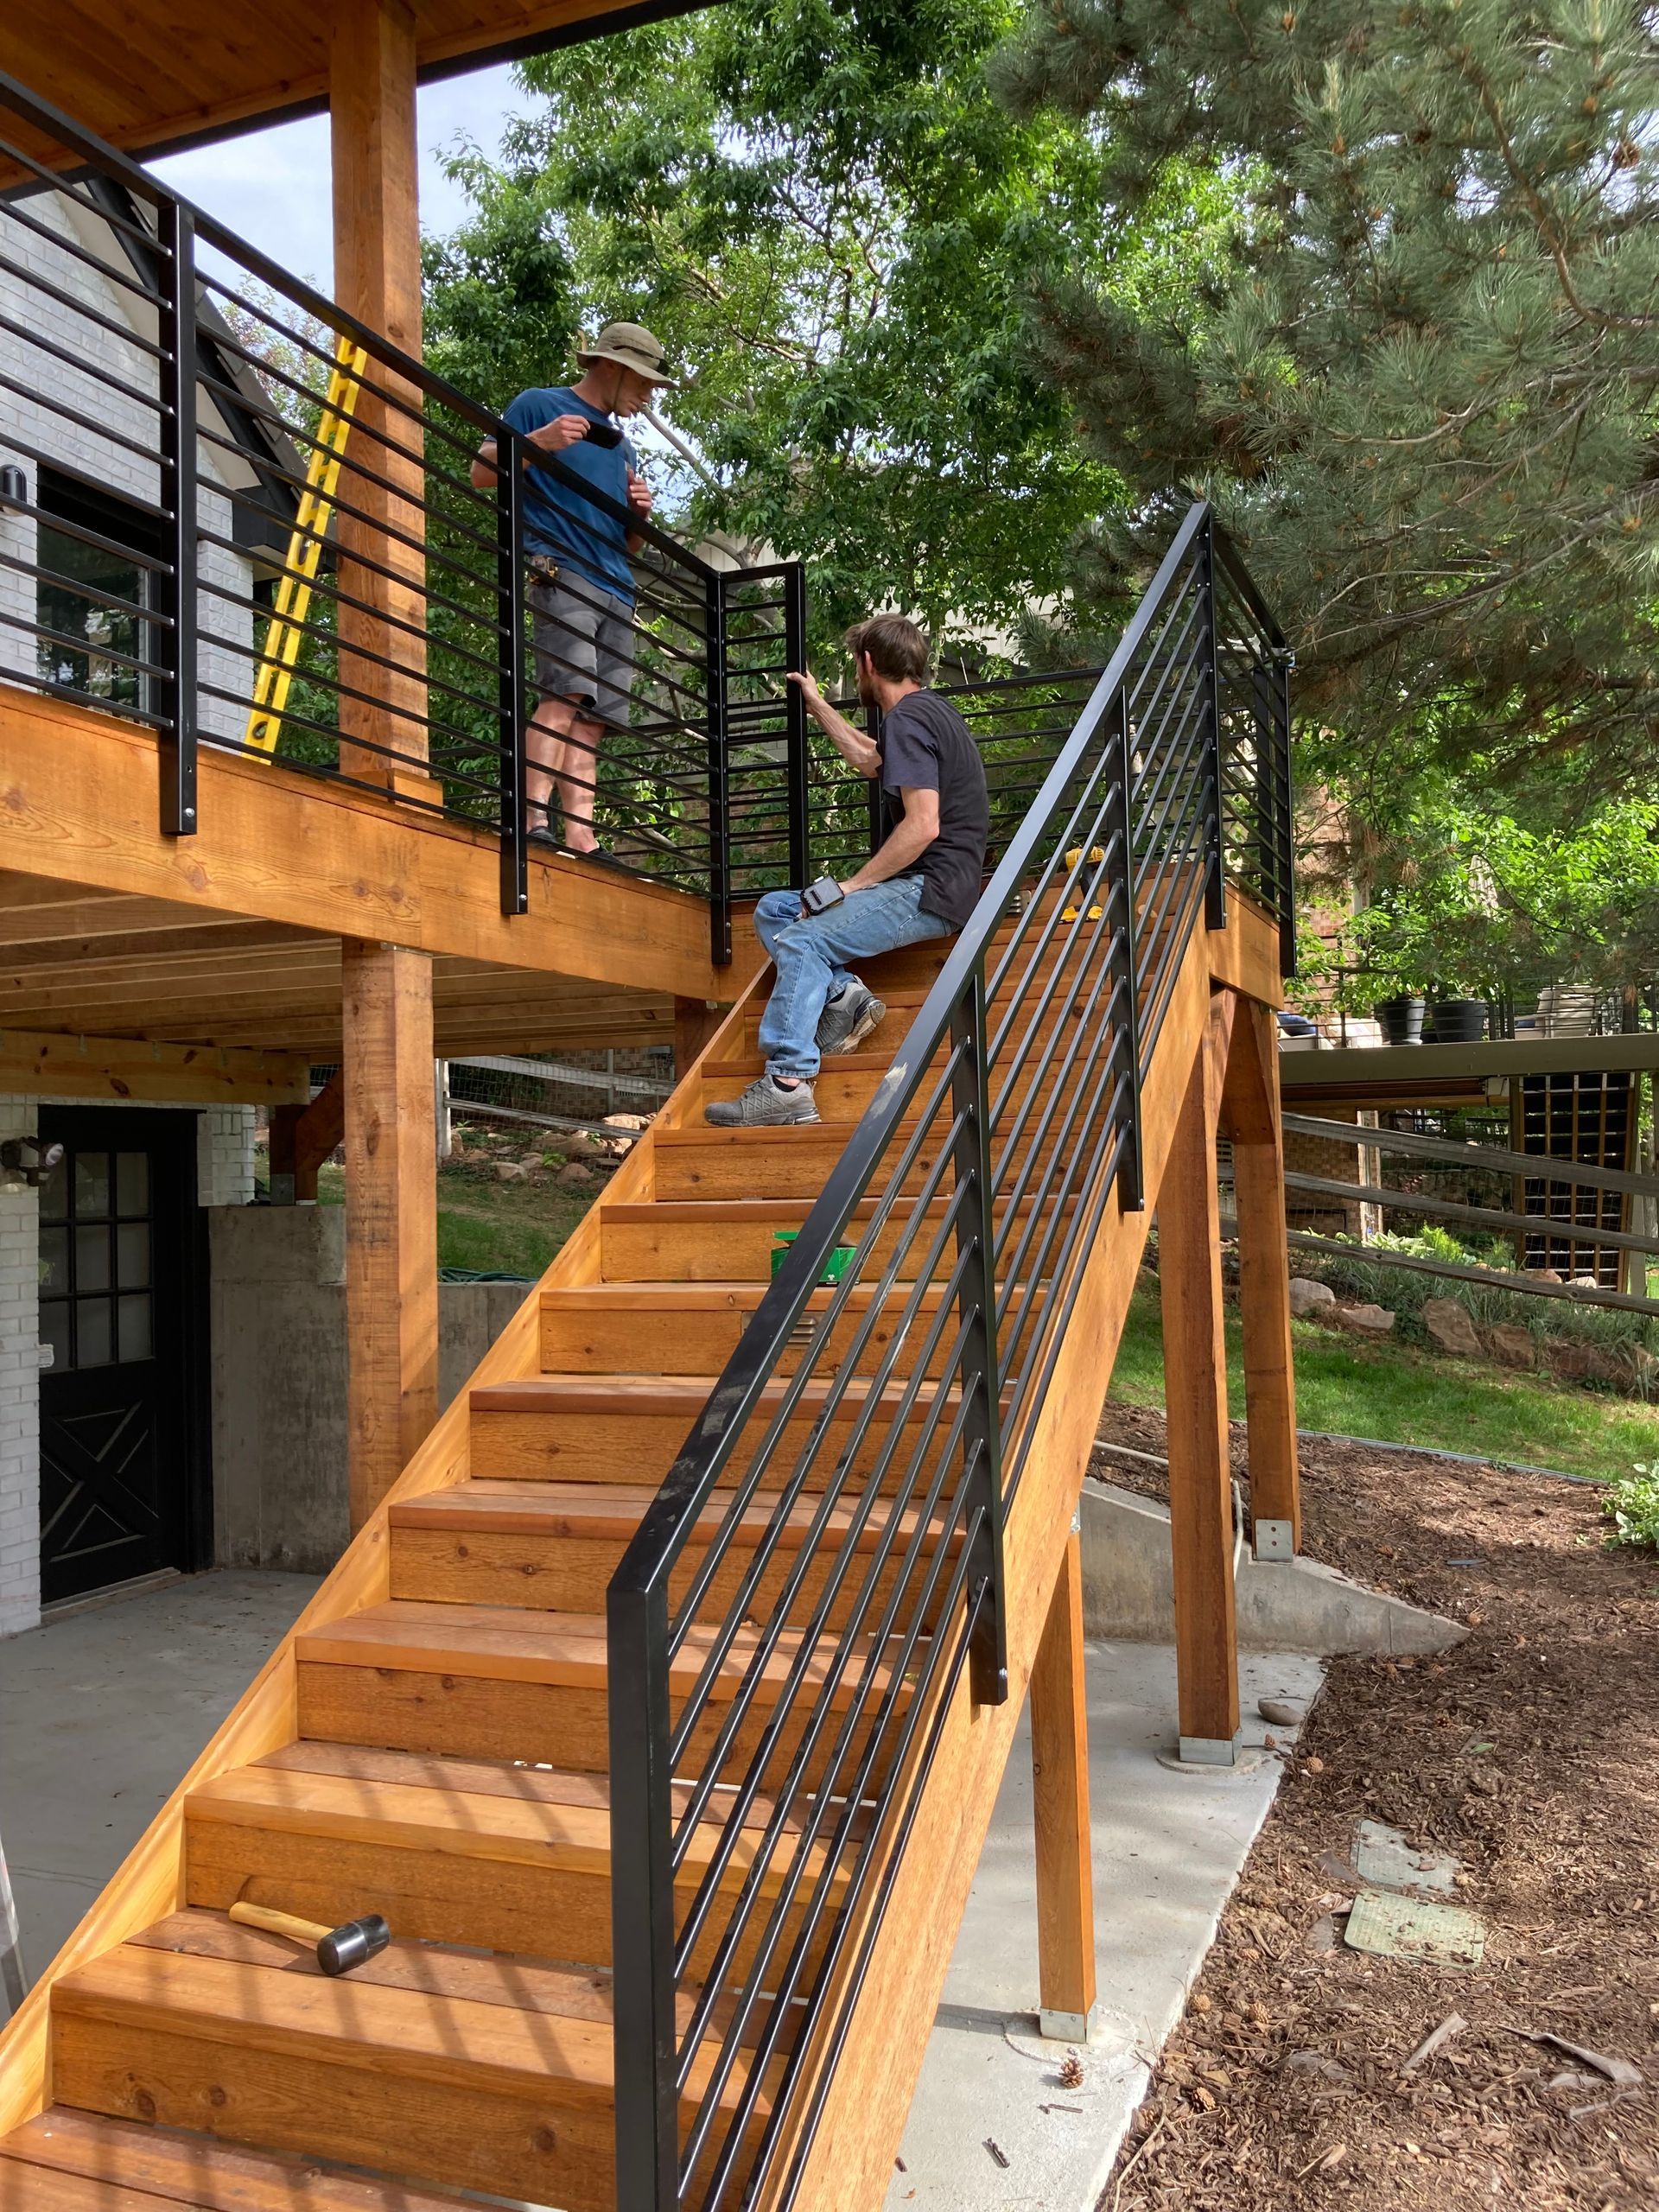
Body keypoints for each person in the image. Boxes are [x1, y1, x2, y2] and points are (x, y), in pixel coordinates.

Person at [705, 614, 989, 1128]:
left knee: (803, 940)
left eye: (855, 667)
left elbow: (923, 826)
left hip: (929, 889)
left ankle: (788, 1082)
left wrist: (853, 885)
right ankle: (844, 995)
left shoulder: (908, 719)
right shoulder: (927, 714)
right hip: (934, 884)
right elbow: (867, 758)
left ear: (867, 663)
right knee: (777, 910)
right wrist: (816, 702)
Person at [471, 322, 678, 865]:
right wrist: (537, 444)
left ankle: (581, 838)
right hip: (563, 571)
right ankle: (530, 820)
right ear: (610, 366)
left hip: (617, 587)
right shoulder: (539, 405)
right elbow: (479, 473)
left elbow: (628, 545)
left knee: (593, 720)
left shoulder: (623, 446)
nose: (649, 393)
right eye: (645, 380)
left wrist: (639, 515)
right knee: (565, 697)